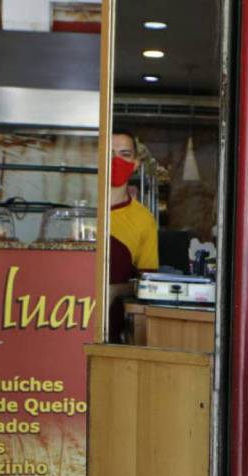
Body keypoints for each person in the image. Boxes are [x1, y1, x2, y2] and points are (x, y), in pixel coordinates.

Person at [109, 130, 159, 342]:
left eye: (124, 154)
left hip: (112, 326)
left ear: (135, 164)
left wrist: (114, 290)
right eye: (109, 153)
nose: (116, 160)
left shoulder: (143, 219)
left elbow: (148, 282)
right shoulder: (74, 211)